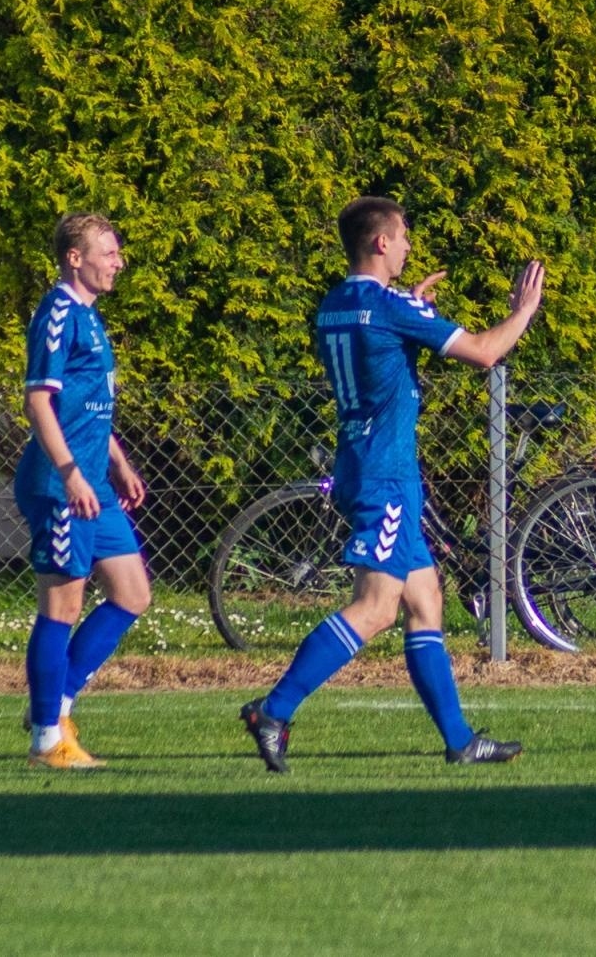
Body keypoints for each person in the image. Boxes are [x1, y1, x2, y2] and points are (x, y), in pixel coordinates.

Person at [240, 196, 544, 772]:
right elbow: (483, 352)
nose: (407, 245)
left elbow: (375, 347)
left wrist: (413, 312)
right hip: (387, 475)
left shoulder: (335, 302)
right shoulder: (390, 305)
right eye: (403, 235)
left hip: (359, 459)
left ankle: (460, 741)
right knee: (376, 608)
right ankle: (274, 710)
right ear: (381, 243)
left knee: (426, 599)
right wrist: (524, 311)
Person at [15, 213, 152, 769]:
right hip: (61, 483)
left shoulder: (92, 321)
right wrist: (70, 473)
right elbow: (38, 401)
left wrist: (117, 461)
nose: (118, 261)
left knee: (132, 593)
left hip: (94, 480)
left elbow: (88, 407)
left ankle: (55, 702)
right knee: (62, 604)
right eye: (109, 252)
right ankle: (48, 738)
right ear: (76, 258)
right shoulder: (58, 314)